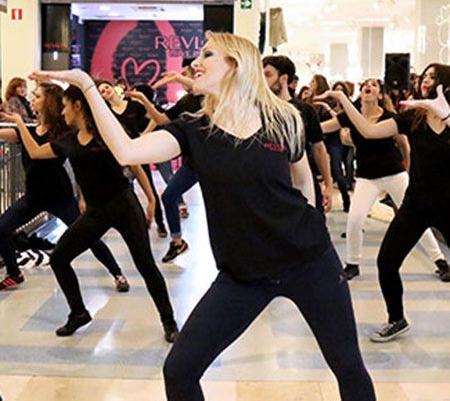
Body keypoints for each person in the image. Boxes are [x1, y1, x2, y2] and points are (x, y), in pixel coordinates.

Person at [32, 31, 376, 401]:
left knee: (347, 364)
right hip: (244, 274)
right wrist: (85, 85)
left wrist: (312, 220)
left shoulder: (284, 118)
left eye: (208, 54)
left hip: (309, 261)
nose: (196, 62)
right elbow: (128, 152)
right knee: (179, 370)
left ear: (236, 66)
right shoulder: (192, 129)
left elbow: (302, 174)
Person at [5, 85, 178, 341]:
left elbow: (133, 162)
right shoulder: (68, 141)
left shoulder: (104, 135)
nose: (62, 111)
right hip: (96, 211)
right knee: (59, 258)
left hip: (123, 205)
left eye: (65, 106)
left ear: (78, 106)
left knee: (145, 264)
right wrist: (20, 123)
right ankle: (78, 313)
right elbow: (35, 152)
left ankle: (169, 322)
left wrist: (151, 199)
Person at [315, 63, 450, 342]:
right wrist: (342, 101)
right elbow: (367, 130)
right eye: (424, 77)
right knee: (386, 262)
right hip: (417, 204)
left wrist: (446, 114)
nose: (425, 82)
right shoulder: (411, 118)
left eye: (432, 78)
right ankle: (396, 319)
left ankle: (439, 262)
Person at [0, 83, 129, 292]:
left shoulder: (61, 135)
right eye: (33, 95)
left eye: (37, 96)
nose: (32, 99)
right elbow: (12, 136)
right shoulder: (30, 130)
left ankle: (117, 273)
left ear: (49, 102)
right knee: (1, 228)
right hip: (33, 197)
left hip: (59, 197)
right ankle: (14, 273)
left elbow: (39, 152)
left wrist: (82, 196)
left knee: (89, 237)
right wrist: (18, 125)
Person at [128, 59, 202, 262]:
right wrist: (144, 100)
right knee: (169, 196)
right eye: (186, 75)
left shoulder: (213, 97)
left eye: (189, 75)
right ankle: (177, 242)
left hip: (215, 162)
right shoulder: (187, 102)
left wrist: (178, 78)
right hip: (193, 162)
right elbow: (162, 119)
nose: (187, 79)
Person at [97, 79, 168, 238]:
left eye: (106, 87)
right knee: (128, 191)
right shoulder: (107, 112)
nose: (105, 91)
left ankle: (160, 222)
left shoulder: (133, 106)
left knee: (148, 186)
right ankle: (136, 224)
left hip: (138, 151)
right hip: (121, 155)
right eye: (101, 91)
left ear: (113, 88)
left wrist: (144, 134)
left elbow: (155, 118)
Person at [262, 55, 333, 213]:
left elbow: (319, 148)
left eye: (267, 74)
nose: (262, 80)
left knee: (311, 227)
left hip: (302, 180)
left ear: (283, 78)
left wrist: (328, 184)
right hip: (270, 184)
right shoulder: (258, 110)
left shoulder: (305, 111)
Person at [309, 74, 351, 211]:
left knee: (337, 173)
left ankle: (347, 201)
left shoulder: (330, 102)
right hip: (317, 139)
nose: (310, 83)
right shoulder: (310, 101)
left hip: (333, 141)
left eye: (313, 81)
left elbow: (340, 120)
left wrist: (327, 107)